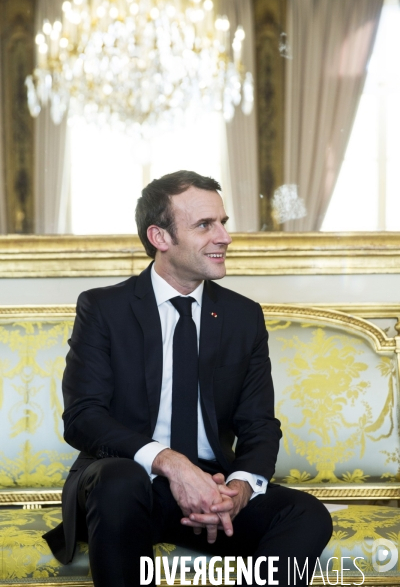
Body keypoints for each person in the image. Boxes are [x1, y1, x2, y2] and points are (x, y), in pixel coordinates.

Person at [44, 170, 332, 586]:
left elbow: (259, 424)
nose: (224, 237)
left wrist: (238, 492)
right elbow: (84, 417)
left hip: (211, 492)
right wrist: (172, 464)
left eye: (223, 222)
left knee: (306, 514)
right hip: (127, 489)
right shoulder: (103, 308)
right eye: (204, 225)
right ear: (160, 237)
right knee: (120, 479)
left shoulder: (242, 316)